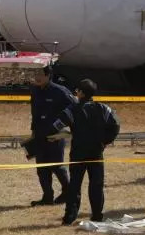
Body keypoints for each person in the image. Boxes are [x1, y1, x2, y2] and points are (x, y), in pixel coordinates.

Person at [48, 79, 120, 225]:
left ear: (80, 93)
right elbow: (116, 125)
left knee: (74, 185)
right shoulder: (104, 108)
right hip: (96, 153)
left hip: (78, 153)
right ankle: (97, 215)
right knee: (96, 185)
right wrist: (105, 141)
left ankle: (70, 216)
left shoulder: (72, 110)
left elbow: (56, 125)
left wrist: (63, 133)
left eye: (77, 90)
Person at [30, 65, 75, 206]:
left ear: (48, 75)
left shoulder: (60, 91)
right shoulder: (35, 90)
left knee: (57, 166)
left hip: (55, 135)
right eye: (35, 74)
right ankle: (47, 197)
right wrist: (33, 131)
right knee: (41, 168)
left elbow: (75, 107)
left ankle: (68, 193)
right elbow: (34, 113)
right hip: (39, 134)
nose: (37, 77)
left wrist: (63, 128)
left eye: (40, 74)